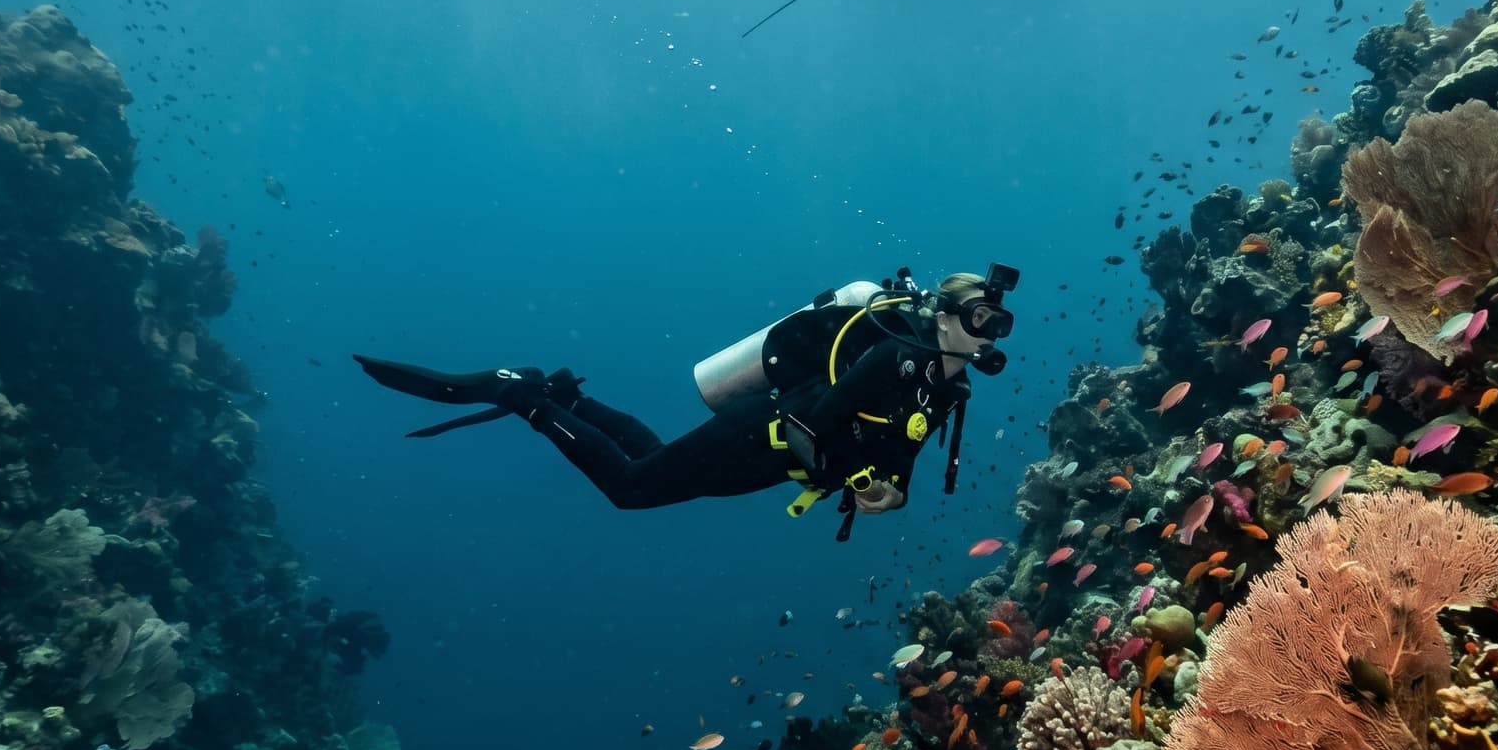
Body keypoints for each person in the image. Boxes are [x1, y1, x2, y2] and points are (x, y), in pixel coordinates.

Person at [353, 266, 1016, 538]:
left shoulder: (942, 385)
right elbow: (825, 418)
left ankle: (563, 396)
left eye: (997, 322)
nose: (989, 330)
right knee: (630, 488)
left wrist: (891, 490)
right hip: (763, 436)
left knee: (652, 459)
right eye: (981, 315)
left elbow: (902, 454)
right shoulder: (897, 358)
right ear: (944, 315)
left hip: (769, 460)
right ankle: (521, 395)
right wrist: (869, 477)